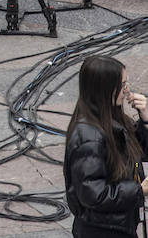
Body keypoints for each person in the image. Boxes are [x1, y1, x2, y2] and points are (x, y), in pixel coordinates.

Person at [63, 55, 148, 237]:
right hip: (102, 230)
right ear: (106, 88)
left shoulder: (113, 119)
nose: (127, 90)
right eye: (123, 84)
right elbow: (94, 194)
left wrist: (146, 119)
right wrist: (139, 190)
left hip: (119, 224)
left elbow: (142, 151)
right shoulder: (88, 135)